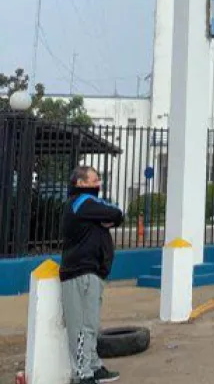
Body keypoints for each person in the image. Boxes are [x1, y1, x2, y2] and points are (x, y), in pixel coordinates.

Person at [60, 165, 124, 384]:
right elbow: (115, 212)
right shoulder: (82, 202)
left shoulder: (88, 205)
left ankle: (93, 367)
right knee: (80, 327)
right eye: (94, 180)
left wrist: (109, 217)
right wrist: (109, 217)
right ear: (80, 183)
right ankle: (82, 374)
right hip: (80, 273)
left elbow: (114, 214)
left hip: (92, 272)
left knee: (91, 325)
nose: (98, 184)